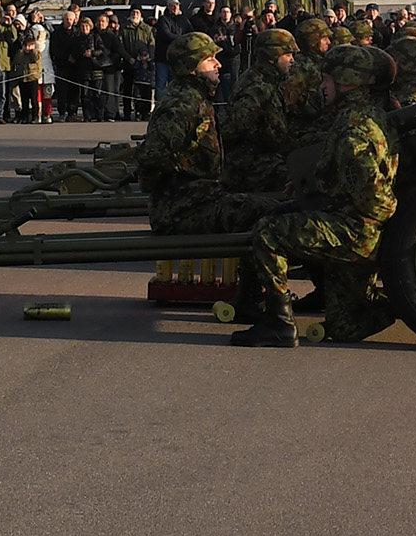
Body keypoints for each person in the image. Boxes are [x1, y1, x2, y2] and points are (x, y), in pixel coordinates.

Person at [233, 44, 400, 348]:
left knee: (268, 232)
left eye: (327, 80)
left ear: (346, 82)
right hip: (360, 228)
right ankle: (405, 303)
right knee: (345, 325)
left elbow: (374, 198)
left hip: (358, 233)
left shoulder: (353, 129)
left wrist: (384, 232)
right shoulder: (367, 114)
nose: (322, 87)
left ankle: (278, 324)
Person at [136, 33, 279, 239]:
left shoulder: (194, 96)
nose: (218, 64)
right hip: (182, 210)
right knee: (270, 214)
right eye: (210, 59)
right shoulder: (181, 104)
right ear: (191, 67)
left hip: (198, 200)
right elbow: (152, 158)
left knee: (273, 207)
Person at [220, 27, 299, 194]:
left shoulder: (269, 80)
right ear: (271, 56)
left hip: (266, 157)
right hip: (251, 165)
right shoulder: (255, 87)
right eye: (287, 55)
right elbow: (234, 129)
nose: (292, 60)